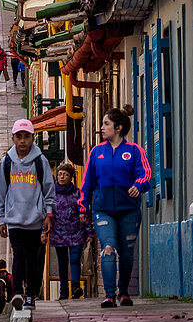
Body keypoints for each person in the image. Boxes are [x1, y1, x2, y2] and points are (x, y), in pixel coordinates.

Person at [78, 106, 151, 309]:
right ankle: (109, 295)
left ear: (118, 127)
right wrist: (83, 206)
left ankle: (124, 292)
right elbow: (87, 182)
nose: (102, 128)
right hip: (102, 209)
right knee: (108, 248)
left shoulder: (134, 150)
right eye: (102, 124)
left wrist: (138, 185)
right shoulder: (96, 152)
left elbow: (145, 174)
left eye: (106, 124)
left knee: (127, 253)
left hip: (129, 210)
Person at [0, 118, 55, 309]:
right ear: (12, 139)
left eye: (26, 137)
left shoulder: (40, 161)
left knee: (33, 258)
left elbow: (48, 188)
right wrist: (1, 218)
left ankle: (31, 295)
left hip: (35, 219)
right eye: (18, 137)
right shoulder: (6, 163)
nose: (22, 141)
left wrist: (48, 214)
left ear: (32, 138)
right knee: (19, 254)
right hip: (15, 219)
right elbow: (0, 191)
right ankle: (18, 292)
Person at [51, 162, 88, 300]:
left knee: (74, 259)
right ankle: (64, 290)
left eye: (65, 174)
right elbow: (47, 213)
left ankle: (76, 286)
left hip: (75, 232)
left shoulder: (77, 193)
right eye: (60, 174)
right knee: (62, 262)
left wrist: (89, 232)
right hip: (58, 232)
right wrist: (45, 231)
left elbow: (84, 211)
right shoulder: (52, 194)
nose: (61, 177)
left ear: (70, 177)